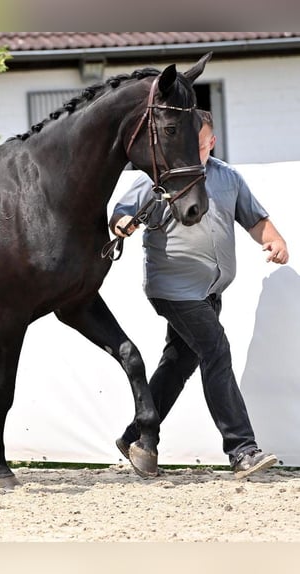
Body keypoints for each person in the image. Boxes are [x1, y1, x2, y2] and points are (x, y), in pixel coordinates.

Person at [110, 109, 289, 479]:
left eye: (198, 143)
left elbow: (255, 220)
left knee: (178, 365)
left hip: (210, 291)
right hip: (173, 289)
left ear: (211, 141)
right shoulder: (158, 176)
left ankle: (137, 437)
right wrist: (122, 222)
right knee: (216, 351)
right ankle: (242, 450)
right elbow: (124, 211)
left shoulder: (228, 177)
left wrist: (275, 240)